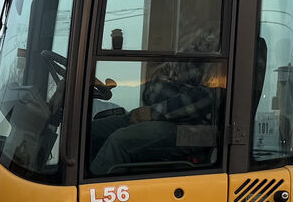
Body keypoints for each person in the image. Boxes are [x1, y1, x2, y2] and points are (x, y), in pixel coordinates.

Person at [89, 59, 221, 175]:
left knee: (120, 141)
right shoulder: (183, 53)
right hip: (164, 114)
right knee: (89, 131)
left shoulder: (213, 60)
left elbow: (206, 98)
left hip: (194, 130)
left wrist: (153, 113)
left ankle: (93, 193)